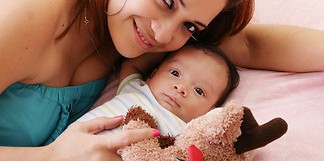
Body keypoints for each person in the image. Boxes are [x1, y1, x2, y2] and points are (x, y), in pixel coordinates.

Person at [1, 0, 324, 160]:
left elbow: (250, 46)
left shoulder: (131, 29)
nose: (163, 35)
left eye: (190, 26)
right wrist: (48, 157)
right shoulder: (26, 7)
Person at [75, 43, 240, 138]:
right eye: (175, 73)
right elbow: (131, 64)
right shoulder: (135, 88)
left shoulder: (186, 133)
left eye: (199, 90)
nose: (181, 87)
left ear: (209, 112)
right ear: (153, 74)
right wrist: (169, 48)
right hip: (68, 147)